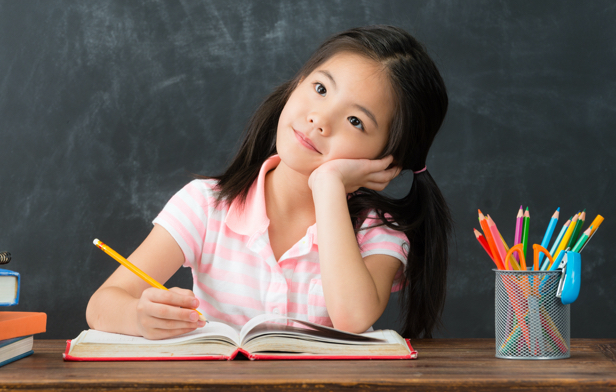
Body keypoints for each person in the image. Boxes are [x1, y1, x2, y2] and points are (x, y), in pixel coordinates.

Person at [86, 25, 452, 340]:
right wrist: (139, 317)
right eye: (321, 89)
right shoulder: (205, 205)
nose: (319, 119)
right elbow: (102, 305)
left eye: (356, 121)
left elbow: (353, 318)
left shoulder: (376, 231)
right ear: (297, 84)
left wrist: (328, 184)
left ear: (387, 160)